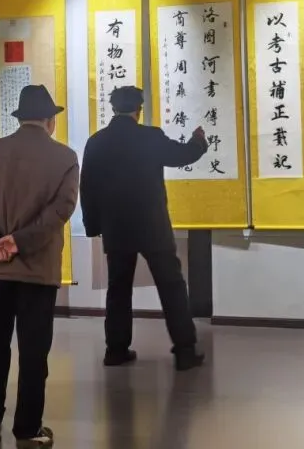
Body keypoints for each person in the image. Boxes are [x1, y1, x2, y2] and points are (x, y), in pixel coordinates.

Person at [0, 85, 79, 448]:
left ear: (19, 118)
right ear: (50, 121)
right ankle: (28, 429)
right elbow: (61, 210)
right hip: (38, 269)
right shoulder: (65, 158)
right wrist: (21, 241)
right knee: (33, 352)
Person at [80, 86, 208, 371]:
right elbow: (182, 155)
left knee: (118, 288)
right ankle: (185, 351)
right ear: (138, 110)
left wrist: (93, 226)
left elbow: (86, 186)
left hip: (116, 227)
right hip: (153, 226)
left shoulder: (97, 142)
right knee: (171, 286)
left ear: (113, 108)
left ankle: (115, 350)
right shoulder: (150, 137)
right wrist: (198, 141)